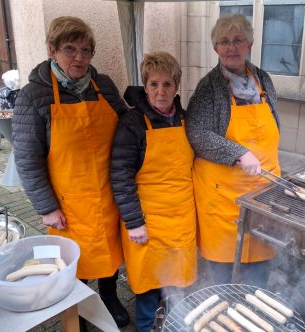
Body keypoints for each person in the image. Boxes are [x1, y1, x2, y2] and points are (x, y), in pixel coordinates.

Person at [11, 16, 130, 329]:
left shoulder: (102, 85)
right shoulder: (34, 95)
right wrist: (47, 207)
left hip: (108, 192)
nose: (79, 57)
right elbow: (27, 159)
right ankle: (76, 308)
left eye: (86, 50)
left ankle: (109, 296)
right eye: (70, 49)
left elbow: (127, 125)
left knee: (109, 251)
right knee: (72, 261)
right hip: (67, 201)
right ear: (52, 50)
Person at [186, 14, 280, 286]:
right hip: (223, 195)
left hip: (263, 188)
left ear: (249, 43)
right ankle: (225, 309)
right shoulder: (209, 87)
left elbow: (274, 125)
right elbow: (197, 133)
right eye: (224, 42)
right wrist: (238, 153)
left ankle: (252, 307)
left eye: (238, 40)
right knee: (224, 268)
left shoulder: (263, 79)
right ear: (215, 48)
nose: (231, 47)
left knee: (260, 261)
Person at [111, 52, 196, 332]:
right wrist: (134, 222)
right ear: (145, 86)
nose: (161, 92)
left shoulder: (185, 119)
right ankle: (148, 327)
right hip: (148, 221)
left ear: (177, 87)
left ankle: (173, 325)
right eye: (154, 84)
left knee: (177, 284)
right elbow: (121, 176)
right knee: (148, 288)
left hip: (181, 218)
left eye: (168, 84)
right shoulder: (133, 123)